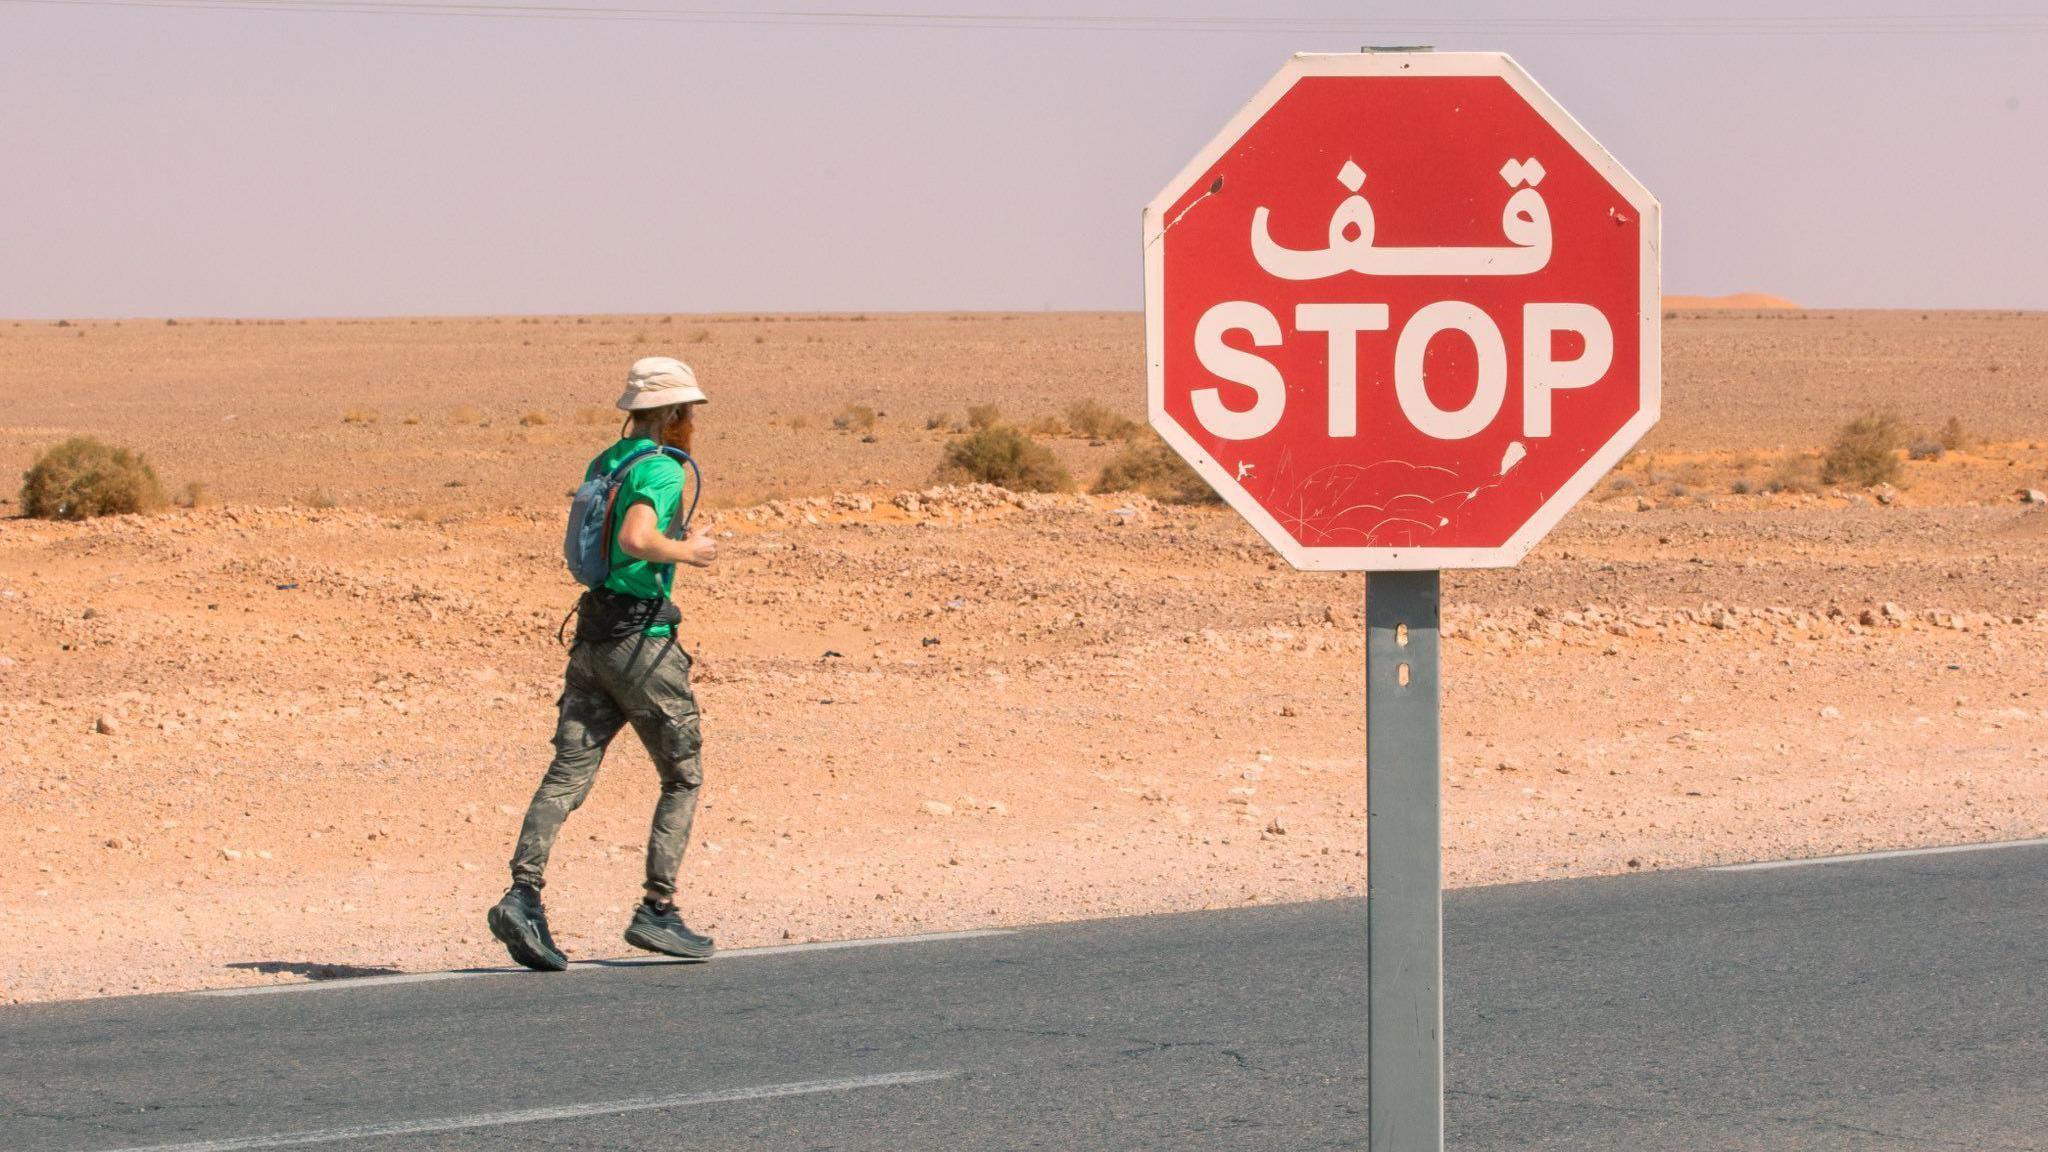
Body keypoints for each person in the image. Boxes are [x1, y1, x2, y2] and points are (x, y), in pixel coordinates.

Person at [487, 356, 720, 971]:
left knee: (568, 771)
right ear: (674, 412)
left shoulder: (606, 462)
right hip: (641, 644)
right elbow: (636, 540)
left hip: (592, 635)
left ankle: (523, 896)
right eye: (688, 411)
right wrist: (689, 552)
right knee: (683, 775)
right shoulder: (663, 470)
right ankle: (658, 911)